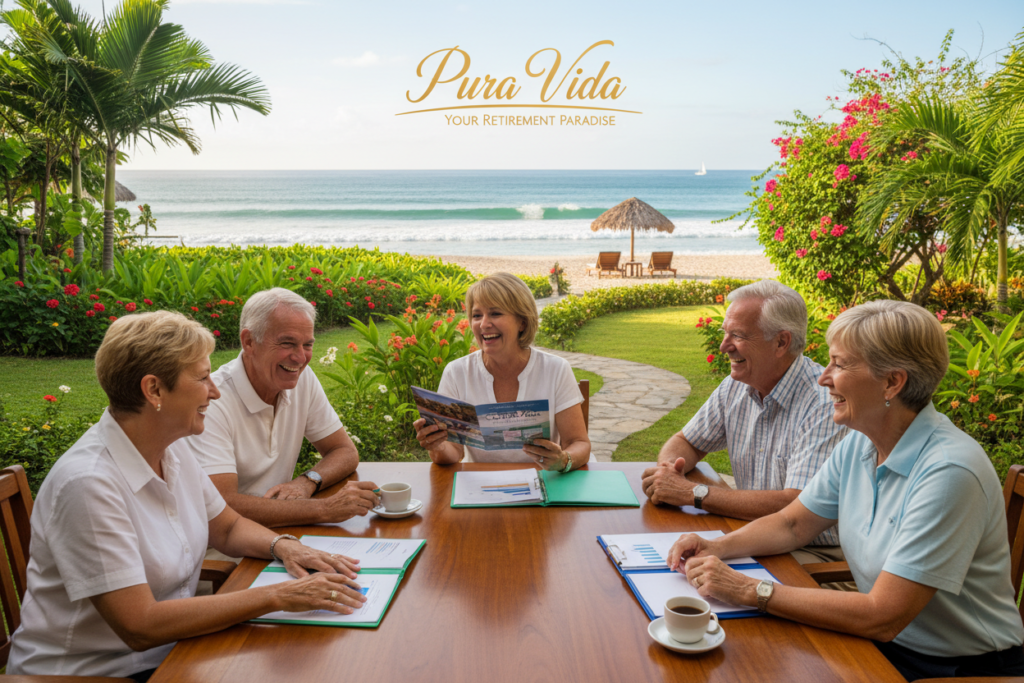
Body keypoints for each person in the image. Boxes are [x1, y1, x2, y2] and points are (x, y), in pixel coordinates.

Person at [667, 300, 1024, 680]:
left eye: (839, 364)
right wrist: (717, 547)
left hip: (957, 667)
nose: (824, 378)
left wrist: (748, 590)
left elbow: (883, 616)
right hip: (881, 645)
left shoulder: (949, 472)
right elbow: (792, 524)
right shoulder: (861, 443)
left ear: (892, 382)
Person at [7, 312, 367, 681]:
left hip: (176, 651)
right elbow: (140, 625)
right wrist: (279, 596)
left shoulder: (170, 447)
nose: (215, 390)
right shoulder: (88, 485)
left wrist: (285, 547)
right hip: (94, 673)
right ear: (154, 390)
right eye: (202, 378)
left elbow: (226, 527)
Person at [641, 280, 848, 566]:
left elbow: (795, 506)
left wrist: (693, 493)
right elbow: (687, 441)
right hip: (750, 533)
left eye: (737, 335)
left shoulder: (824, 405)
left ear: (781, 342)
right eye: (724, 333)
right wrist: (668, 473)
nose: (724, 346)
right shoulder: (736, 386)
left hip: (810, 552)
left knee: (691, 572)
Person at [187, 288, 379, 528]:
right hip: (227, 543)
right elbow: (222, 505)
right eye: (287, 343)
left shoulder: (301, 378)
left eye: (307, 345)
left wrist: (307, 481)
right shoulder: (212, 401)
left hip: (284, 529)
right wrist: (324, 509)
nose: (300, 358)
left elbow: (344, 451)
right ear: (249, 342)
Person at [414, 272, 591, 470]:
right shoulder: (456, 373)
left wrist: (564, 459)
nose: (484, 324)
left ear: (522, 322)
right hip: (479, 485)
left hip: (542, 483)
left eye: (495, 313)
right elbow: (453, 452)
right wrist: (437, 445)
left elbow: (579, 443)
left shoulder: (555, 369)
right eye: (477, 315)